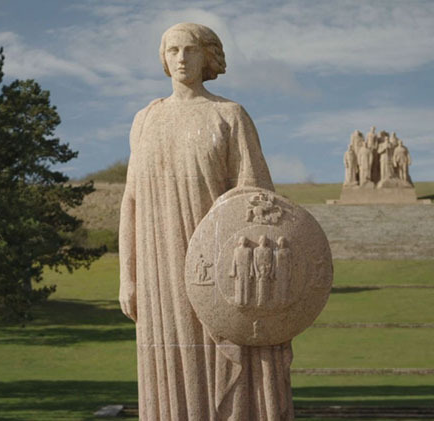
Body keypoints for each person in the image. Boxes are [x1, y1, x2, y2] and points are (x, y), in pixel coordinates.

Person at [118, 23, 293, 420]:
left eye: (190, 50)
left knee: (223, 360)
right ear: (163, 59)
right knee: (166, 363)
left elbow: (257, 204)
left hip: (214, 266)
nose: (181, 58)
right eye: (173, 50)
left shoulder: (229, 116)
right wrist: (128, 277)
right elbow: (131, 201)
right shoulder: (145, 119)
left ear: (207, 56)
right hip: (157, 270)